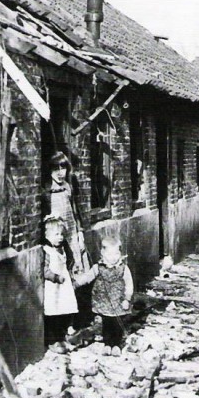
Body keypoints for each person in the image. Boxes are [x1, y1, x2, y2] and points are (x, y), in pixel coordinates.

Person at [42, 151, 92, 329]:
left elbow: (75, 212)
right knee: (63, 279)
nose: (60, 172)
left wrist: (80, 232)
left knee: (78, 272)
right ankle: (62, 325)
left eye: (63, 168)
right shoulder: (46, 191)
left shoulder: (69, 187)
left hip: (71, 236)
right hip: (58, 240)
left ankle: (79, 320)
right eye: (56, 168)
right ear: (49, 170)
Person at [89, 237, 134, 355]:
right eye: (109, 254)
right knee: (107, 322)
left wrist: (127, 299)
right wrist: (76, 283)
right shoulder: (98, 267)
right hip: (103, 301)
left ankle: (116, 344)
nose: (113, 257)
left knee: (117, 323)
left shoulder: (123, 268)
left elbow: (129, 284)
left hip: (118, 300)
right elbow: (88, 277)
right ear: (103, 253)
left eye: (116, 253)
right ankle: (107, 343)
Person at [41, 215, 78, 349]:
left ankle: (65, 333)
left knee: (66, 307)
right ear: (47, 235)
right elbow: (44, 270)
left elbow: (69, 260)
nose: (60, 237)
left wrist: (70, 271)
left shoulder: (62, 248)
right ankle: (53, 339)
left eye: (62, 234)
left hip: (64, 285)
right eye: (56, 234)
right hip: (54, 287)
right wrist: (56, 277)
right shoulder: (47, 251)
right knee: (54, 310)